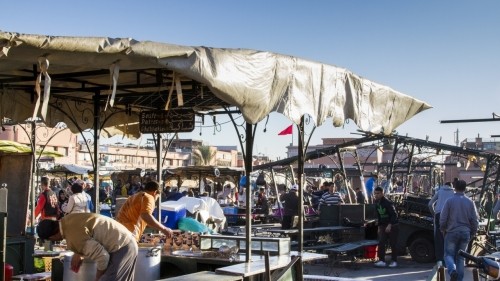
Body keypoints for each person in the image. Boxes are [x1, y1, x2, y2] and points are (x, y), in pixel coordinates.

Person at [36, 213, 138, 281]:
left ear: (53, 236)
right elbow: (86, 231)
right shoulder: (68, 219)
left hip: (122, 247)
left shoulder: (73, 238)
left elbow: (103, 257)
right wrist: (79, 252)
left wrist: (97, 278)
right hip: (126, 241)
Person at [440, 179, 479, 281]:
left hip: (451, 232)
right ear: (465, 188)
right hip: (465, 232)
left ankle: (452, 271)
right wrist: (473, 232)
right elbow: (475, 220)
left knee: (448, 255)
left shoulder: (449, 201)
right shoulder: (470, 202)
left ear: (455, 188)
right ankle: (459, 280)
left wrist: (443, 229)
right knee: (461, 258)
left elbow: (443, 218)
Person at [428, 181, 455, 264]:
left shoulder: (439, 192)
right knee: (449, 239)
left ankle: (439, 260)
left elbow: (430, 204)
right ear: (451, 186)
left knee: (439, 238)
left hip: (439, 214)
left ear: (444, 185)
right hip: (449, 216)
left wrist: (434, 214)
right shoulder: (453, 192)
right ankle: (449, 260)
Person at [373, 186, 399, 268]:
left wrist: (390, 225)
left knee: (393, 244)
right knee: (381, 243)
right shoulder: (377, 203)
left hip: (392, 225)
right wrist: (379, 226)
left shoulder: (388, 202)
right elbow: (379, 216)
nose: (376, 195)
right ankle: (382, 261)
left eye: (378, 193)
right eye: (375, 193)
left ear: (382, 193)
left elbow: (394, 215)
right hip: (383, 225)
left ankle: (394, 261)